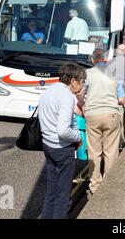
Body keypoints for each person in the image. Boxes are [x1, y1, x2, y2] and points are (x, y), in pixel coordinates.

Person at [38, 63, 85, 219]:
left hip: (48, 145)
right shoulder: (66, 96)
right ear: (73, 80)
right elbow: (63, 130)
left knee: (52, 189)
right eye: (82, 81)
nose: (82, 84)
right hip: (62, 149)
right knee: (63, 193)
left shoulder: (49, 90)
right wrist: (78, 137)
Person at [83, 48, 125, 195]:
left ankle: (95, 185)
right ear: (105, 60)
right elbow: (122, 99)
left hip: (92, 115)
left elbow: (80, 94)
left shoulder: (87, 73)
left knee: (94, 152)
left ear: (93, 60)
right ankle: (109, 184)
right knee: (111, 151)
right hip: (111, 115)